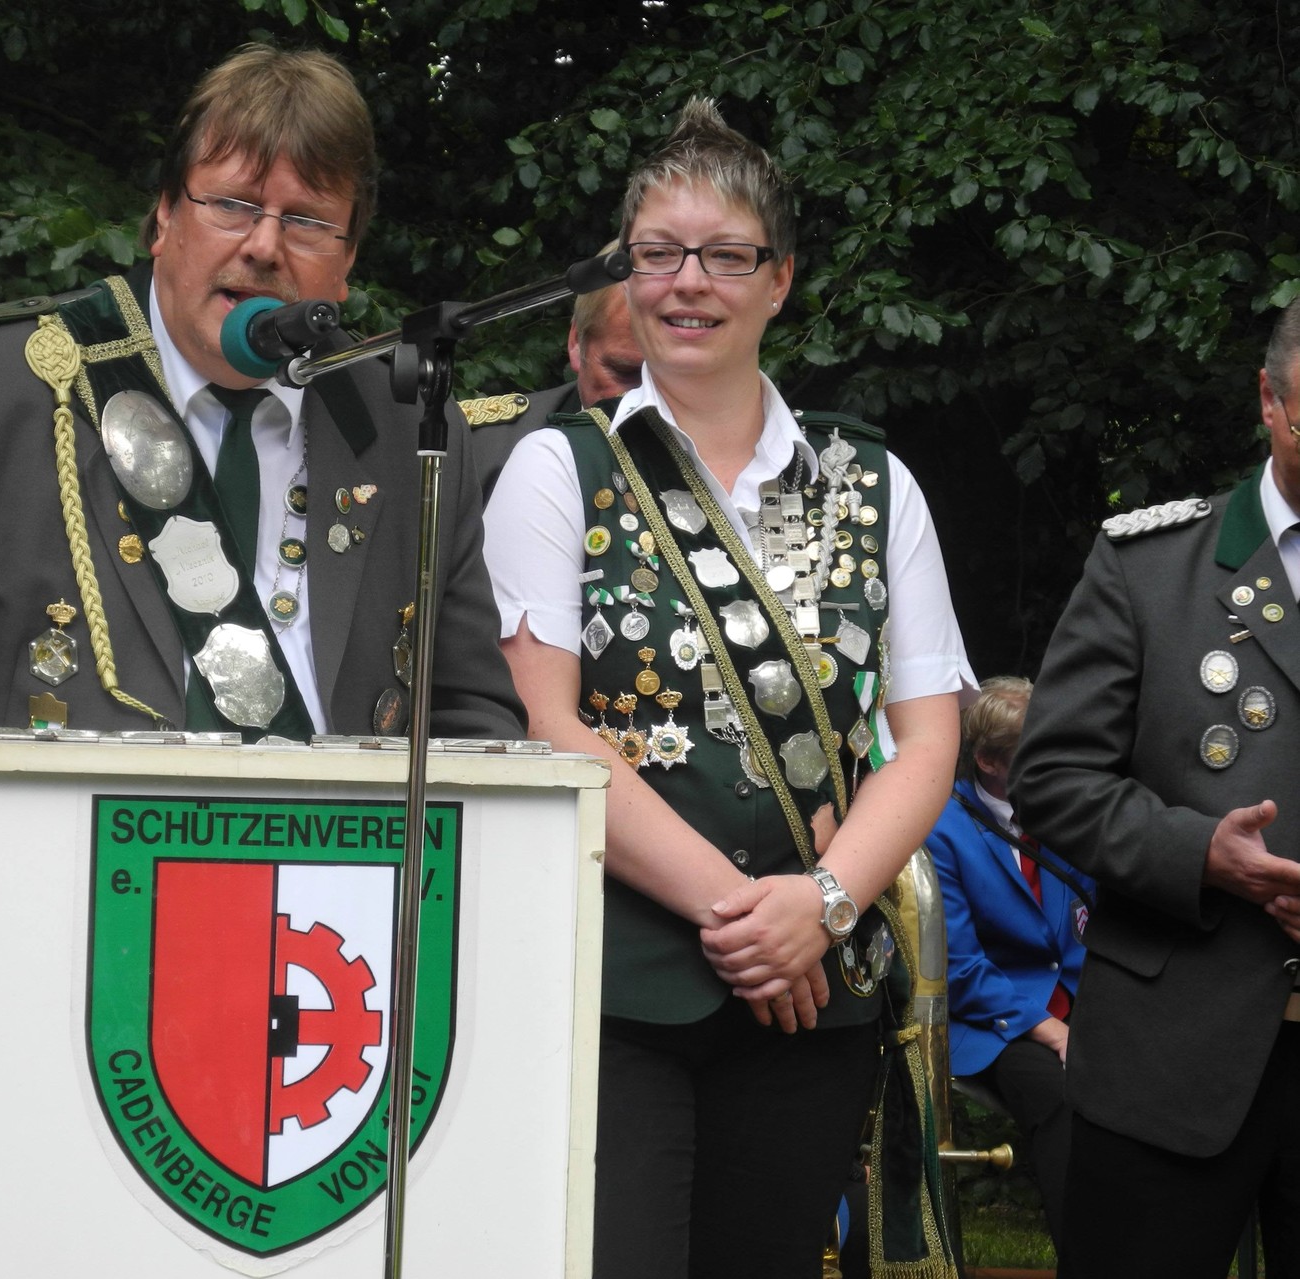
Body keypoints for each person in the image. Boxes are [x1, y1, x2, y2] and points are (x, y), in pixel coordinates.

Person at [0, 43, 523, 1162]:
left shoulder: (403, 434)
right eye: (232, 202)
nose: (262, 246)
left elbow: (476, 723)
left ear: (348, 258)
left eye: (307, 220)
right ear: (161, 218)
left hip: (311, 1030)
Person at [483, 98, 971, 1277]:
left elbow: (925, 741)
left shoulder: (873, 481)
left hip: (810, 993)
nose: (685, 283)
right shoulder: (557, 467)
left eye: (723, 256)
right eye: (657, 254)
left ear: (778, 280)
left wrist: (822, 905)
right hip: (613, 982)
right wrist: (747, 913)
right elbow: (547, 724)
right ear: (626, 271)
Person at [1011, 304, 1300, 1279]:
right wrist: (1197, 854)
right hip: (1173, 1051)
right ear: (1269, 399)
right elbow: (1049, 780)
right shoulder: (1151, 566)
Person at [923, 675, 1091, 1247]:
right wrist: (1054, 1034)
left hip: (1082, 1002)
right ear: (990, 760)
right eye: (1039, 753)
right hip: (995, 1021)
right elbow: (960, 968)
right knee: (1065, 1100)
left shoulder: (1064, 810)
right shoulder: (941, 827)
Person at [465, 238, 645, 501]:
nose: (648, 399)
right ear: (576, 343)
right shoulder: (479, 452)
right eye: (626, 373)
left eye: (679, 380)